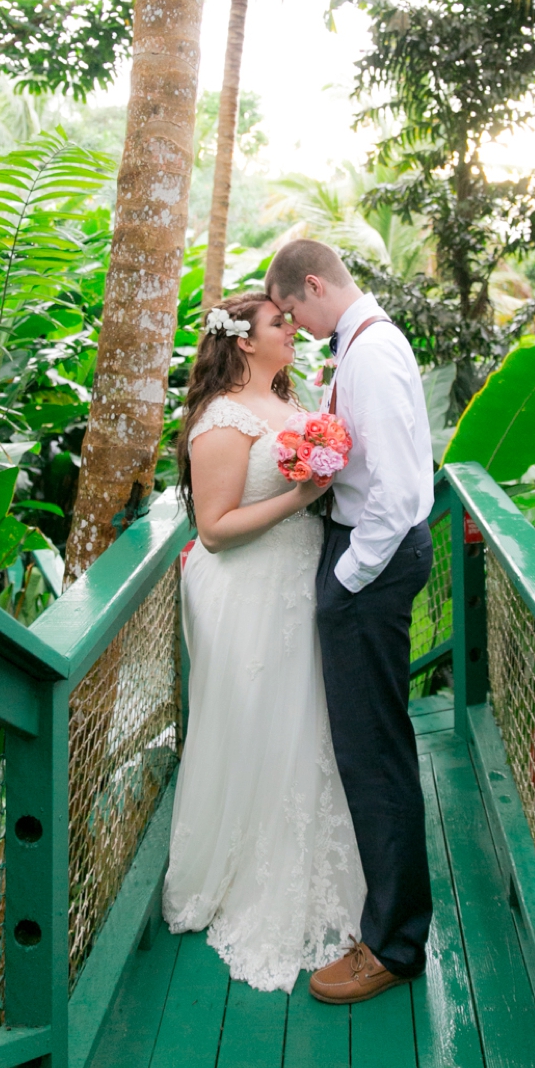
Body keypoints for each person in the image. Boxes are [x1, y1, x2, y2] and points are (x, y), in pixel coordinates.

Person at [160, 292, 367, 992]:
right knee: (258, 724)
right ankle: (244, 871)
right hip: (247, 590)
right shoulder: (221, 419)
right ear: (244, 342)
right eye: (280, 322)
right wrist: (303, 495)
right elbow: (214, 528)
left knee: (303, 723)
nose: (293, 329)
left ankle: (311, 862)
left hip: (301, 580)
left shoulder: (296, 399)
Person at [264, 239, 434, 1005]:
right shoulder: (363, 344)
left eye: (293, 312)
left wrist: (344, 579)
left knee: (374, 754)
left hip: (370, 563)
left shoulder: (368, 354)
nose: (295, 329)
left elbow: (396, 494)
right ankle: (389, 926)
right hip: (367, 557)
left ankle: (394, 945)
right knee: (371, 748)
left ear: (309, 286)